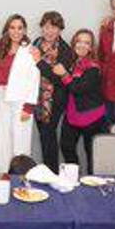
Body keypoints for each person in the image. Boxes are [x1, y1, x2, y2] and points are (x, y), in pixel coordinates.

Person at [0, 15, 40, 172]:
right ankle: (4, 174)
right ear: (7, 30)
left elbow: (34, 79)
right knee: (4, 139)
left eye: (20, 28)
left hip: (21, 100)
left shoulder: (30, 51)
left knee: (20, 140)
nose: (16, 31)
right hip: (2, 96)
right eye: (12, 27)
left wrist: (29, 107)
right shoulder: (1, 49)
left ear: (24, 30)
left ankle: (21, 176)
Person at [57, 28, 107, 172]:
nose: (82, 45)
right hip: (72, 115)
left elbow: (77, 88)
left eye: (87, 43)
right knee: (66, 147)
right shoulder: (73, 63)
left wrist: (64, 74)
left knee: (92, 154)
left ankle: (92, 181)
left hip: (92, 117)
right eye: (79, 41)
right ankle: (74, 178)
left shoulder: (93, 68)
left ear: (91, 47)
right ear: (74, 44)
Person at [31, 11, 75, 172]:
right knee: (44, 136)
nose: (49, 31)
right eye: (46, 27)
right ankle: (47, 172)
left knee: (48, 135)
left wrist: (39, 62)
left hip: (54, 100)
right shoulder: (36, 43)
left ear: (60, 30)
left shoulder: (65, 50)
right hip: (36, 98)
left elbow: (58, 78)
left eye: (54, 27)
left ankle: (52, 172)